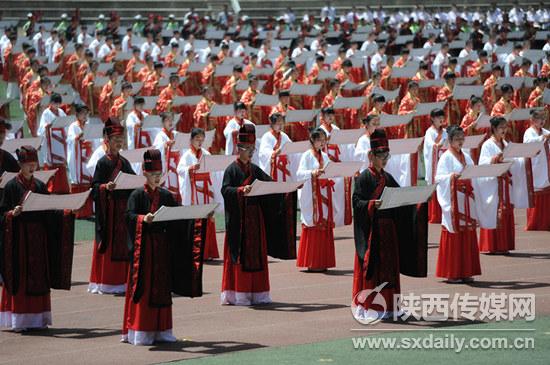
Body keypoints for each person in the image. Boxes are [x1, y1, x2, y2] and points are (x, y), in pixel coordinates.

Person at [122, 149, 207, 346]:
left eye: (159, 175)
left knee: (162, 288)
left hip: (162, 250)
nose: (156, 178)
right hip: (143, 252)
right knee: (144, 288)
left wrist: (199, 218)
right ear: (144, 173)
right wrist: (143, 219)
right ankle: (141, 331)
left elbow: (179, 217)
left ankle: (162, 330)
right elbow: (128, 216)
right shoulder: (136, 195)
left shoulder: (166, 196)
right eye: (153, 175)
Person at [352, 129, 428, 320]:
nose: (384, 159)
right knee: (374, 270)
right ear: (371, 156)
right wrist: (370, 205)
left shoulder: (387, 177)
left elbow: (400, 196)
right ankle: (371, 307)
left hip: (389, 232)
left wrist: (418, 199)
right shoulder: (364, 178)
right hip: (373, 232)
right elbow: (356, 202)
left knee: (390, 271)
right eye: (380, 155)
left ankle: (392, 308)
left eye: (386, 155)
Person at [0, 146, 74, 331]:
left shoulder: (40, 186)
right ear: (20, 165)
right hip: (19, 240)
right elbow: (1, 213)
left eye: (34, 164)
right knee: (21, 276)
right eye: (28, 165)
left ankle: (39, 319)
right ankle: (19, 320)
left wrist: (65, 213)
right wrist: (10, 214)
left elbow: (49, 210)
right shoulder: (11, 186)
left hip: (38, 239)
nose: (32, 168)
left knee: (40, 275)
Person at [221, 124, 296, 305]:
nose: (251, 152)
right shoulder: (231, 169)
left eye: (252, 149)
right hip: (239, 222)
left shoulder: (255, 170)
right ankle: (240, 293)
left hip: (256, 220)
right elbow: (225, 190)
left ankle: (259, 293)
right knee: (241, 256)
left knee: (258, 255)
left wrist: (289, 189)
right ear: (239, 149)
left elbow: (270, 184)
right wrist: (240, 190)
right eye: (247, 149)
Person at [88, 120, 135, 294]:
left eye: (121, 138)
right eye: (115, 138)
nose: (119, 142)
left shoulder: (124, 162)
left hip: (122, 212)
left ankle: (122, 282)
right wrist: (104, 188)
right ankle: (106, 282)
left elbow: (133, 179)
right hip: (108, 212)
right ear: (107, 139)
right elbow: (94, 186)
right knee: (109, 244)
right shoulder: (102, 162)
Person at [435, 125, 481, 283]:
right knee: (454, 233)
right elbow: (439, 178)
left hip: (466, 200)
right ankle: (453, 272)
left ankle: (467, 271)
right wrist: (452, 177)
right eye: (457, 139)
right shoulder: (446, 157)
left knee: (467, 234)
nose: (460, 141)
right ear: (450, 140)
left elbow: (474, 173)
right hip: (453, 201)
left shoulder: (467, 156)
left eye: (462, 138)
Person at [296, 128, 336, 272]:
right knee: (313, 224)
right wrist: (313, 173)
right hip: (312, 195)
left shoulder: (325, 156)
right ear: (312, 140)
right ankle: (312, 262)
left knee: (323, 224)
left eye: (324, 140)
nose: (322, 143)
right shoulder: (307, 155)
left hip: (323, 193)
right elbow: (299, 173)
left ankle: (323, 261)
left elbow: (329, 171)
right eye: (319, 139)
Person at [177, 128, 221, 260]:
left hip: (206, 190)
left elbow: (212, 170)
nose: (200, 141)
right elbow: (180, 170)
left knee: (208, 218)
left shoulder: (206, 153)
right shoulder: (187, 155)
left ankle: (209, 252)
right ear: (191, 140)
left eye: (202, 139)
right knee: (196, 219)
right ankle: (196, 252)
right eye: (197, 139)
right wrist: (190, 169)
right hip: (194, 190)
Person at [476, 117, 517, 254]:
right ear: (494, 129)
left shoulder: (505, 143)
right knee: (494, 211)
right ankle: (492, 245)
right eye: (501, 127)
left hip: (505, 184)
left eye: (505, 127)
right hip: (494, 184)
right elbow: (482, 164)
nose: (504, 130)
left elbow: (513, 160)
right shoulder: (487, 145)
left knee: (506, 211)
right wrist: (494, 159)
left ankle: (504, 245)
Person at [523, 109, 550, 230]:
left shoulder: (545, 131)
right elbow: (528, 143)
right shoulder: (529, 132)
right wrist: (542, 138)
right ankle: (535, 223)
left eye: (544, 119)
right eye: (540, 119)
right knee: (538, 193)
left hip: (546, 165)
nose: (542, 121)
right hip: (536, 166)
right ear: (533, 121)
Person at [423, 108, 448, 224]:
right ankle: (434, 215)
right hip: (434, 163)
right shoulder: (430, 132)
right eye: (438, 117)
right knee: (435, 185)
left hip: (443, 162)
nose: (441, 119)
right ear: (432, 119)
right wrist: (437, 145)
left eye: (442, 117)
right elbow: (430, 145)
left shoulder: (445, 131)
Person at [258, 113, 292, 182]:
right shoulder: (266, 136)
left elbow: (291, 147)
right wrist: (274, 153)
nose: (280, 126)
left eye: (282, 123)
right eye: (278, 123)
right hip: (274, 166)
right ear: (272, 124)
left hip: (284, 166)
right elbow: (263, 153)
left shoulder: (284, 136)